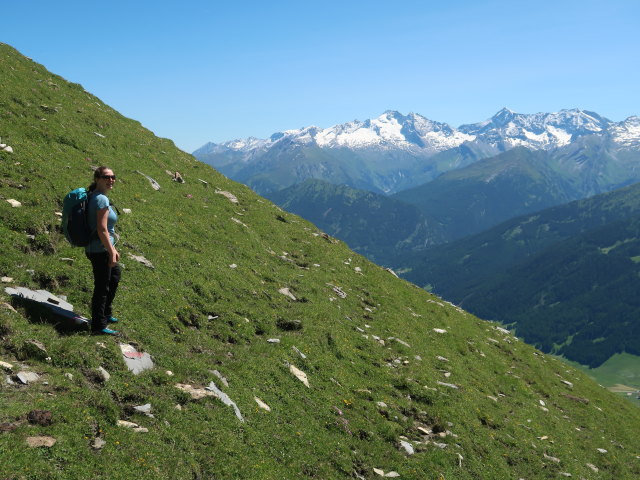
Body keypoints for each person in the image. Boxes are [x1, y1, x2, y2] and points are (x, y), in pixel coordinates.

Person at [86, 166, 121, 335]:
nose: (111, 180)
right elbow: (102, 229)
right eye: (106, 177)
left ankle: (106, 313)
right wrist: (111, 251)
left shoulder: (98, 197)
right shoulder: (101, 200)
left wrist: (112, 248)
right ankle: (98, 325)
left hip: (102, 248)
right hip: (100, 250)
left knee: (114, 277)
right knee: (102, 287)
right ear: (97, 179)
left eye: (113, 177)